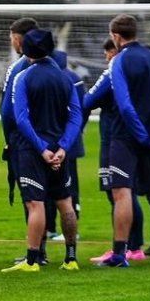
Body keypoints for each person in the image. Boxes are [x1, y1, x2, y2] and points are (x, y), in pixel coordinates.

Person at [1, 29, 82, 273]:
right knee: (65, 203)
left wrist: (43, 149)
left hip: (33, 150)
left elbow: (21, 119)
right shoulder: (65, 78)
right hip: (60, 149)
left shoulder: (23, 77)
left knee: (35, 204)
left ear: (26, 50)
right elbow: (76, 116)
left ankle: (32, 260)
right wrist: (63, 148)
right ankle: (70, 258)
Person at [94, 14, 150, 268]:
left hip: (127, 136)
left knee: (121, 192)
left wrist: (140, 135)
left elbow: (125, 105)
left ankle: (120, 253)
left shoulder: (119, 61)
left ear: (115, 36)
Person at [86, 38, 145, 263]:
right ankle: (131, 245)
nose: (107, 58)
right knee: (129, 192)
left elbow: (89, 100)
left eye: (108, 53)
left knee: (121, 192)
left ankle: (130, 246)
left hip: (117, 139)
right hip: (130, 137)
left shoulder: (115, 71)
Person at [0, 17, 49, 265]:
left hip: (26, 141)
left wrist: (9, 139)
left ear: (19, 39)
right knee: (53, 196)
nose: (12, 42)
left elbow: (8, 111)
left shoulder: (19, 68)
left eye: (12, 38)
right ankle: (50, 250)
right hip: (55, 140)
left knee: (31, 197)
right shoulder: (55, 65)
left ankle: (36, 252)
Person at [45, 50, 84, 242]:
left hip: (52, 141)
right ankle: (65, 228)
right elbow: (81, 112)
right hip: (70, 141)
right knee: (68, 187)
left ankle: (51, 228)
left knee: (55, 186)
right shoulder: (73, 77)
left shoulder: (55, 78)